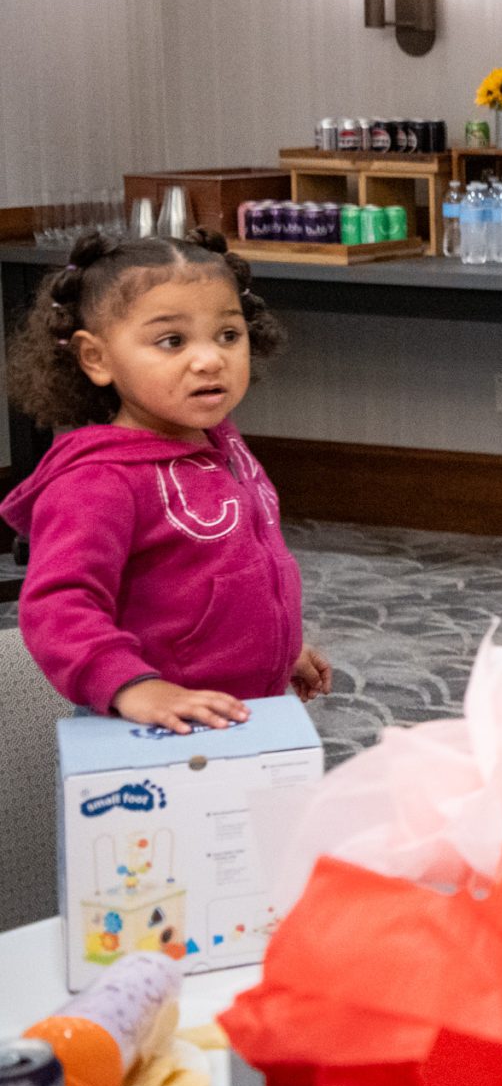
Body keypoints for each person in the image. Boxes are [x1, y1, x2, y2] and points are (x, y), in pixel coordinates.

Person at [1, 232, 330, 729]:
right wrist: (133, 686)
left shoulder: (220, 441)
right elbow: (58, 607)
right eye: (172, 341)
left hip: (236, 709)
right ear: (97, 358)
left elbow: (225, 572)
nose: (209, 359)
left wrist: (280, 643)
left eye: (228, 335)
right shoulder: (97, 482)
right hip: (159, 721)